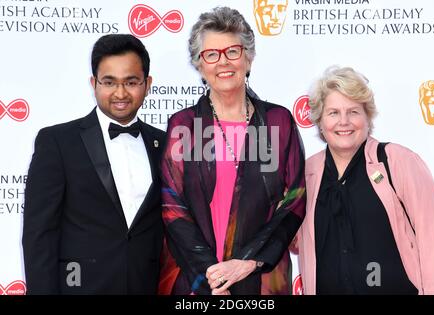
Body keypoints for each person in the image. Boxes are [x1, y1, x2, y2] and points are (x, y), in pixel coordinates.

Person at [159, 7, 306, 295]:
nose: (223, 62)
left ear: (248, 58)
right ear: (199, 65)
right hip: (196, 281)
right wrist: (211, 275)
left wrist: (247, 262)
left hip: (263, 278)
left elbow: (294, 200)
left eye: (233, 51)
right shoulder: (184, 125)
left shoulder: (278, 122)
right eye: (211, 54)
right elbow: (171, 204)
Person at [22, 34, 165, 294]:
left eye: (131, 82)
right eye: (109, 82)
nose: (120, 93)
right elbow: (39, 236)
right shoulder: (57, 142)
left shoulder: (164, 143)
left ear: (147, 84)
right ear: (93, 83)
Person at [296, 66, 434, 294]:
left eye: (354, 112)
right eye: (334, 113)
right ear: (319, 121)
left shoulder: (398, 162)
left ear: (368, 117)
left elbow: (432, 241)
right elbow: (290, 238)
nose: (344, 121)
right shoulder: (306, 173)